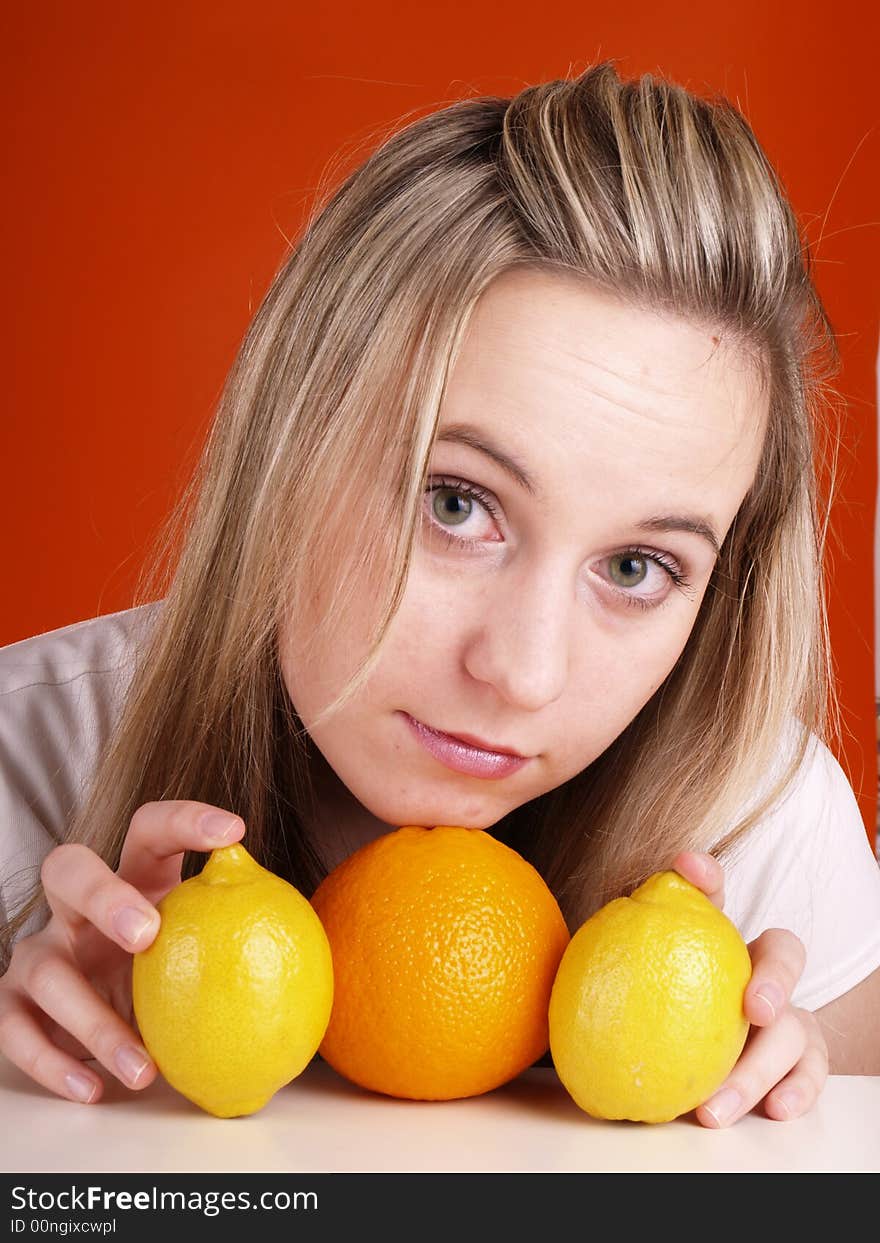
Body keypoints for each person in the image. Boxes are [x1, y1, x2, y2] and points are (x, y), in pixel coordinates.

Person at [1, 61, 879, 1132]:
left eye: (637, 567)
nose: (522, 672)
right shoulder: (23, 750)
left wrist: (787, 1127)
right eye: (457, 504)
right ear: (289, 444)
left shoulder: (762, 832)